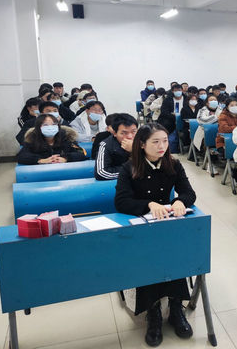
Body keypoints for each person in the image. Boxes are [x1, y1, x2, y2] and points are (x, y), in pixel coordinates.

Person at [114, 123, 195, 347]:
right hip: (141, 226)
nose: (162, 146)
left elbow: (189, 192)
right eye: (155, 142)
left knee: (175, 254)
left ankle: (176, 307)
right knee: (148, 258)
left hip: (166, 225)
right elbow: (121, 201)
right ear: (142, 144)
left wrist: (179, 201)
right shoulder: (129, 167)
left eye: (165, 141)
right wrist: (149, 204)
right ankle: (153, 312)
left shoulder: (173, 164)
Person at [17, 114, 85, 165]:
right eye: (45, 125)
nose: (50, 127)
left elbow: (81, 153)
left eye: (54, 124)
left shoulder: (66, 137)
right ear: (38, 127)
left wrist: (65, 158)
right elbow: (21, 156)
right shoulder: (32, 138)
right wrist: (41, 160)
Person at [95, 114, 138, 180]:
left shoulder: (144, 142)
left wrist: (135, 150)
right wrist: (130, 171)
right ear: (115, 133)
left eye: (134, 132)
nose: (130, 136)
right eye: (124, 133)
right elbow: (101, 173)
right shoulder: (106, 145)